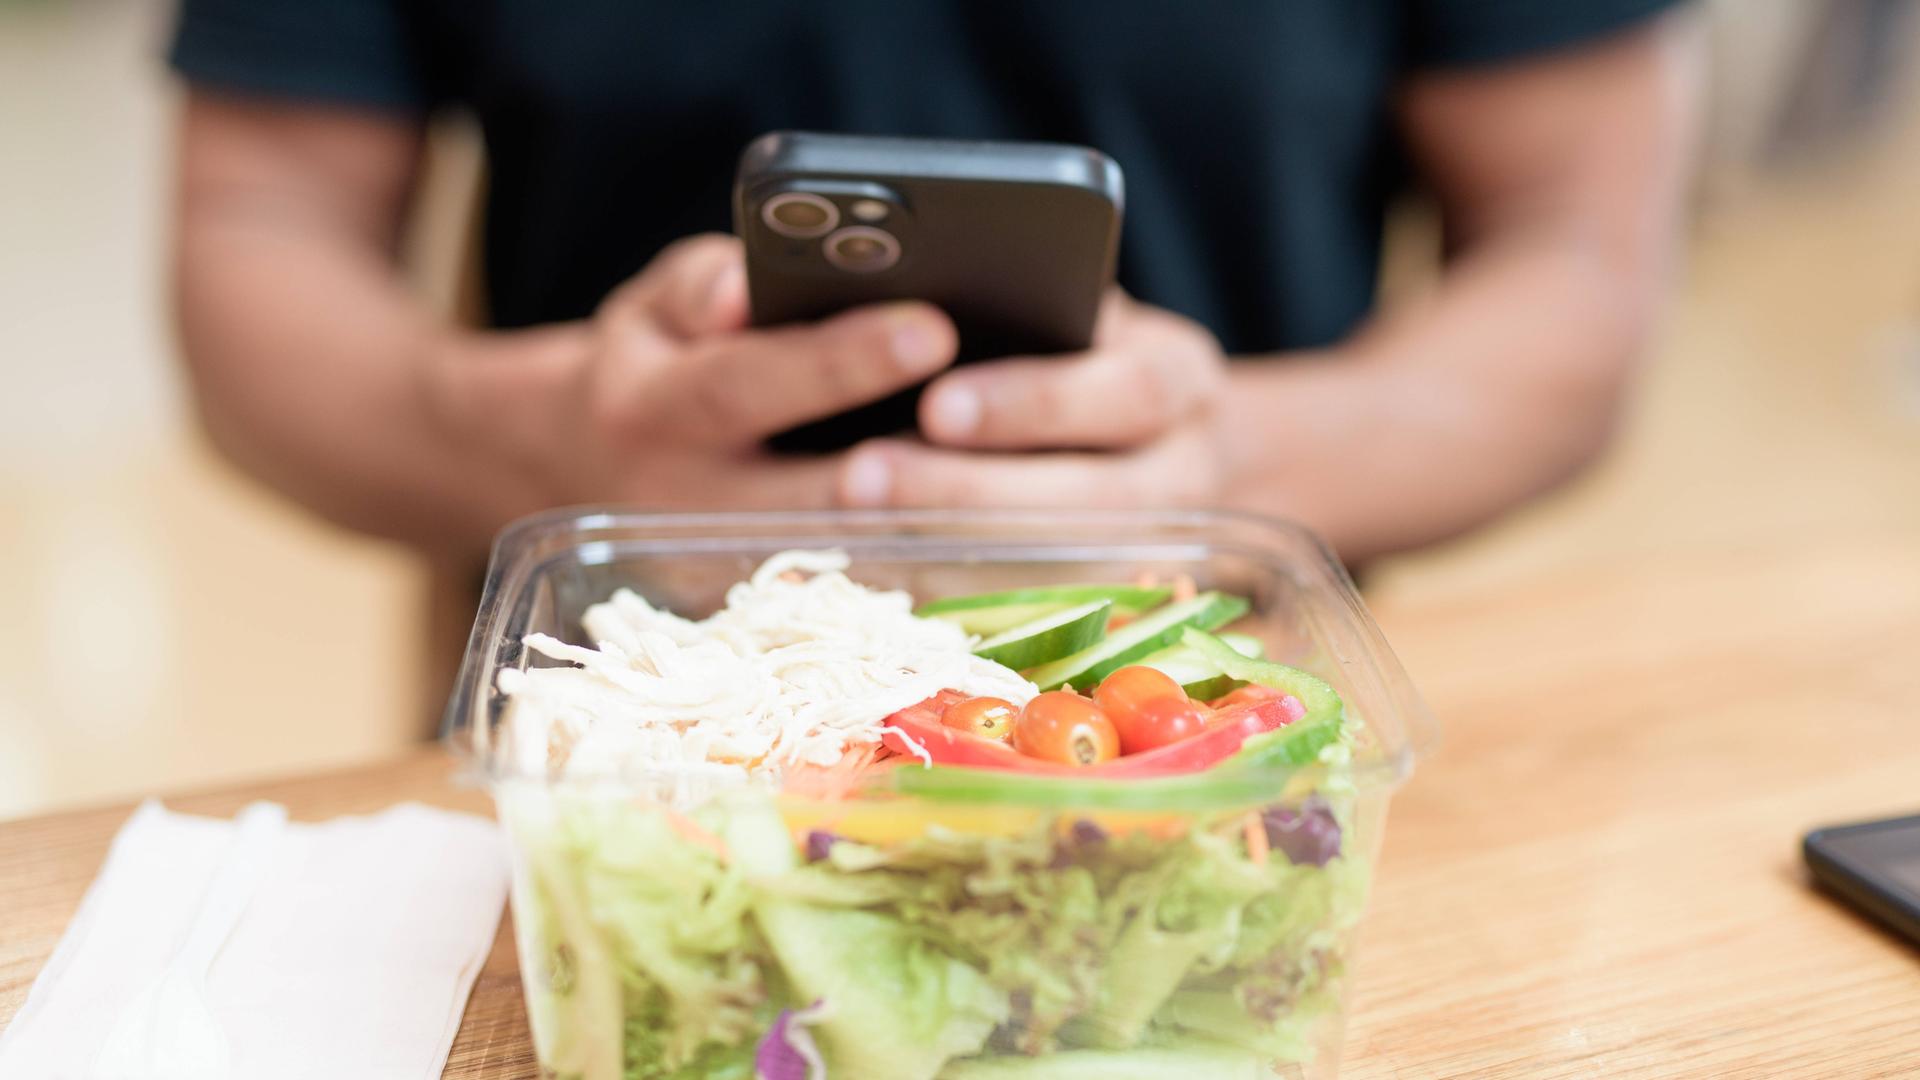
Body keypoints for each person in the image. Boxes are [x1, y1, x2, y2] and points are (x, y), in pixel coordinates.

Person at [167, 2, 1701, 566]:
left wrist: (1226, 467)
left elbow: (1577, 246)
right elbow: (258, 231)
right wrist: (548, 442)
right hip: (617, 748)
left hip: (1216, 743)